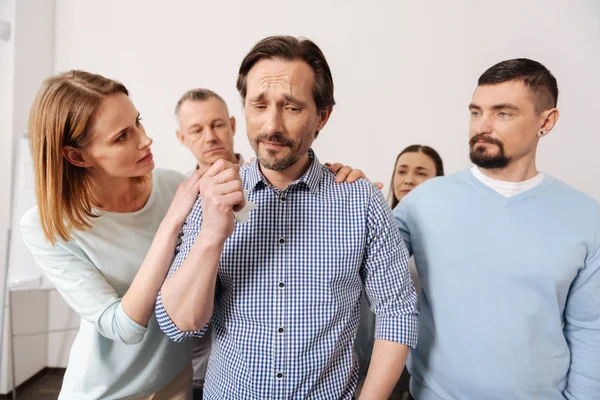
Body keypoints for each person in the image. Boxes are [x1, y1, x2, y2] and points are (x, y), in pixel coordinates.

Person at [156, 35, 418, 399]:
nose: (271, 126)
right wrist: (212, 235)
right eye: (258, 105)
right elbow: (180, 325)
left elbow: (397, 313)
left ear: (321, 116)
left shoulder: (363, 202)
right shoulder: (210, 197)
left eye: (291, 107)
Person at [394, 58, 600, 399]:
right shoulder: (424, 201)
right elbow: (351, 264)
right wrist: (340, 188)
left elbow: (591, 328)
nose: (482, 126)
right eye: (476, 112)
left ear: (546, 122)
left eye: (503, 113)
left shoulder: (586, 217)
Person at [174, 87, 378, 399]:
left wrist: (352, 195)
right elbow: (178, 322)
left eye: (216, 125)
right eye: (196, 130)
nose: (210, 138)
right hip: (206, 372)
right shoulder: (185, 198)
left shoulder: (351, 194)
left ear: (231, 124)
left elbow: (395, 309)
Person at [20, 70, 202, 399]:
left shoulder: (172, 184)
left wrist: (320, 176)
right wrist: (171, 223)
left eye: (138, 122)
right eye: (122, 137)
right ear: (76, 156)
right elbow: (123, 327)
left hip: (175, 380)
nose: (144, 139)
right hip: (107, 392)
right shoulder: (48, 227)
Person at [355, 145, 443, 398]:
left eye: (421, 173)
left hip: (421, 354)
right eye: (402, 171)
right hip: (370, 351)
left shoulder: (444, 239)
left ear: (438, 182)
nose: (408, 179)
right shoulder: (372, 225)